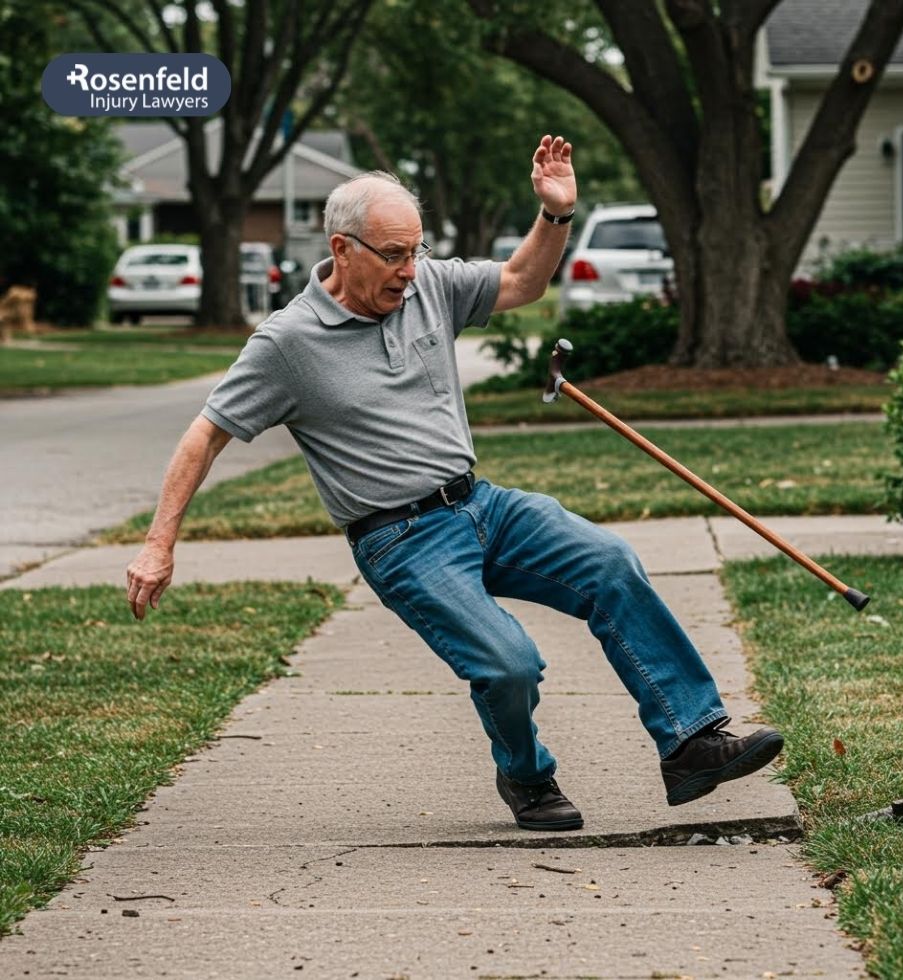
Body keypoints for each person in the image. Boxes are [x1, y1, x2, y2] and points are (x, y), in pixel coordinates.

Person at [126, 135, 783, 831]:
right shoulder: (288, 343)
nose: (410, 270)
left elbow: (522, 283)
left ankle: (691, 742)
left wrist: (554, 216)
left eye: (417, 250)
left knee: (610, 563)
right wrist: (158, 544)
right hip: (401, 541)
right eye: (394, 254)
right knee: (509, 664)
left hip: (483, 505)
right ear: (343, 249)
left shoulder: (428, 287)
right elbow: (207, 431)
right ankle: (527, 778)